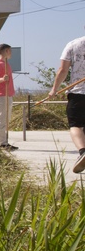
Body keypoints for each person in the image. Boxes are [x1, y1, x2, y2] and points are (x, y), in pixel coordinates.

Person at [49, 32, 85, 173]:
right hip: (78, 92)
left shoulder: (73, 44)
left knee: (75, 125)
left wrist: (54, 89)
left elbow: (63, 70)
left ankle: (82, 151)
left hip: (78, 93)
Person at [0, 43, 17, 150]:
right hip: (0, 94)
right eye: (9, 51)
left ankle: (4, 141)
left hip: (7, 94)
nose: (11, 53)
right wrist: (2, 79)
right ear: (6, 51)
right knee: (1, 118)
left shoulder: (6, 64)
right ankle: (1, 142)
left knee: (6, 118)